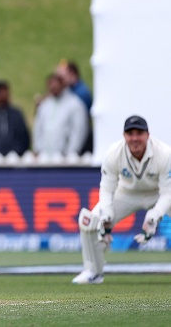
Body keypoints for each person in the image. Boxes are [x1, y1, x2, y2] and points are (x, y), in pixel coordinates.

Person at [73, 115, 171, 284]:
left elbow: (168, 192)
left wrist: (154, 215)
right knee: (89, 221)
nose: (134, 138)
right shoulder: (114, 153)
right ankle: (93, 272)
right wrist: (107, 214)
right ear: (124, 136)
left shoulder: (164, 153)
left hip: (158, 193)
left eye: (139, 133)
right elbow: (107, 188)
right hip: (126, 193)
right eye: (130, 133)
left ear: (147, 135)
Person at [32, 73, 88, 156]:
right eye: (50, 85)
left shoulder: (74, 104)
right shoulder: (45, 105)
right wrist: (37, 148)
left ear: (62, 85)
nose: (53, 87)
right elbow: (38, 128)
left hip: (65, 157)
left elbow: (79, 129)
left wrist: (72, 150)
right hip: (45, 156)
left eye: (55, 85)